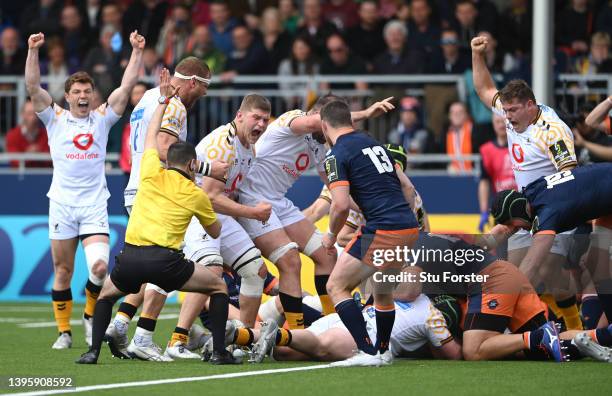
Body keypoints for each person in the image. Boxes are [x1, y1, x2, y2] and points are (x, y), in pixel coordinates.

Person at [76, 68, 239, 366]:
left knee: (109, 292)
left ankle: (102, 342)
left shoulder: (151, 105)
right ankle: (156, 339)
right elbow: (165, 146)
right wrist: (209, 171)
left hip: (133, 228)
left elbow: (151, 139)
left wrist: (162, 101)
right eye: (204, 88)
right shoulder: (194, 192)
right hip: (165, 247)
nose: (203, 94)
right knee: (210, 281)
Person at [25, 30, 145, 350]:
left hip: (93, 204)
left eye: (87, 91)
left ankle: (90, 317)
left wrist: (135, 51)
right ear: (67, 96)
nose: (82, 95)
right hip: (62, 204)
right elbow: (32, 87)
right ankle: (64, 332)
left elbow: (126, 87)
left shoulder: (102, 119)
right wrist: (33, 51)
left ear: (93, 96)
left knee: (100, 267)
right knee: (63, 270)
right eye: (77, 90)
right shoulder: (55, 119)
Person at [236, 95, 395, 330]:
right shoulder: (294, 118)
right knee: (290, 260)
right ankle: (296, 331)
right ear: (318, 114)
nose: (330, 133)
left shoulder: (320, 145)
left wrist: (369, 207)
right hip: (251, 198)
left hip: (278, 202)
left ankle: (331, 322)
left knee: (327, 254)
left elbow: (335, 189)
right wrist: (365, 114)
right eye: (330, 123)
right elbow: (316, 123)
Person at [471, 34, 583, 331]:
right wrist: (477, 55)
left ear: (530, 105)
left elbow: (570, 176)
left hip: (554, 209)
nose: (506, 117)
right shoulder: (512, 114)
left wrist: (542, 209)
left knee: (538, 273)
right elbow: (484, 89)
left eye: (512, 111)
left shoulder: (553, 131)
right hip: (525, 209)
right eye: (504, 111)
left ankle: (515, 331)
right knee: (525, 273)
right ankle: (568, 323)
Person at [163, 94, 273, 359]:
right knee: (210, 271)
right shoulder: (223, 145)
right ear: (239, 116)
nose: (260, 124)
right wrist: (252, 213)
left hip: (216, 214)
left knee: (255, 271)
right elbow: (210, 197)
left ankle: (242, 339)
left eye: (265, 120)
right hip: (195, 211)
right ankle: (177, 340)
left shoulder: (249, 146)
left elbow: (229, 194)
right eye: (255, 117)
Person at [320, 99, 420, 367]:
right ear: (349, 121)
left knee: (336, 286)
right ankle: (383, 350)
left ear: (323, 125)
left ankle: (366, 351)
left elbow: (339, 205)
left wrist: (330, 235)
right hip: (408, 226)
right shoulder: (374, 143)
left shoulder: (336, 154)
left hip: (384, 228)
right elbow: (408, 188)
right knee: (383, 292)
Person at [249, 293, 461, 363]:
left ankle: (238, 335)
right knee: (321, 346)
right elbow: (454, 355)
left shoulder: (418, 295)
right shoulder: (434, 318)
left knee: (284, 353)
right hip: (361, 335)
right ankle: (274, 334)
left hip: (347, 318)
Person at [477, 114, 517, 232]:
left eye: (503, 121)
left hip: (522, 207)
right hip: (501, 209)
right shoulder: (487, 150)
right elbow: (484, 181)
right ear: (493, 124)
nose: (500, 125)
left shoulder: (521, 145)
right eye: (497, 122)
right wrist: (484, 212)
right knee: (501, 248)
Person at [5, 99, 50, 168]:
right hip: (19, 177)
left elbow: (53, 160)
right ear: (22, 115)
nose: (33, 118)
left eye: (35, 114)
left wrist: (39, 152)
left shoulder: (47, 135)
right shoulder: (12, 135)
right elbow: (14, 162)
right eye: (29, 114)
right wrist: (28, 155)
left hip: (43, 176)